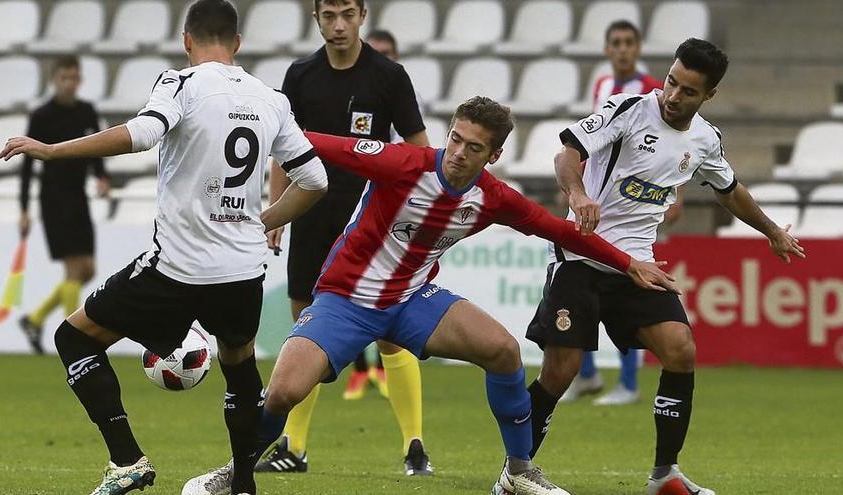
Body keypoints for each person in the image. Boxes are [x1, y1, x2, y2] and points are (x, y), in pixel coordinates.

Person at [184, 96, 679, 495]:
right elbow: (310, 144)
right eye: (456, 139)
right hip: (346, 298)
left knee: (504, 352)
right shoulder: (402, 163)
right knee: (285, 392)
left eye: (474, 147)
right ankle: (233, 470)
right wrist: (241, 118)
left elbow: (564, 232)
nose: (459, 153)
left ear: (494, 155)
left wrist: (629, 262)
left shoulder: (493, 197)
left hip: (413, 299)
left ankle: (518, 472)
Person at [0, 2, 329, 494]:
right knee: (238, 366)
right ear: (237, 43)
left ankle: (127, 460)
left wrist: (52, 150)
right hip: (242, 271)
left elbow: (142, 134)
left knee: (75, 339)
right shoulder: (271, 99)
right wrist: (261, 222)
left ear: (186, 40)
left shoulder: (180, 83)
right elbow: (315, 180)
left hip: (177, 268)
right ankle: (242, 483)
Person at [520, 39, 805, 495]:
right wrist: (577, 195)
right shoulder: (629, 109)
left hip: (638, 265)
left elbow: (729, 190)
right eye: (672, 81)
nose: (673, 96)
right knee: (560, 371)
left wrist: (771, 231)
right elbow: (566, 154)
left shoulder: (705, 140)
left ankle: (665, 476)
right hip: (582, 255)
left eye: (688, 91)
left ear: (708, 96)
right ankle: (515, 472)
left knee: (680, 349)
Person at [257, 0, 434, 476]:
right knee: (304, 331)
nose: (339, 25)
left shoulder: (388, 77)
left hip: (375, 227)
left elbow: (420, 154)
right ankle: (293, 448)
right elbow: (281, 149)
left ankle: (414, 446)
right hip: (311, 218)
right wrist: (276, 214)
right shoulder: (299, 76)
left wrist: (420, 218)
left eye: (348, 14)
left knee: (392, 334)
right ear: (316, 18)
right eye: (329, 15)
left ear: (363, 16)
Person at [562, 20, 677, 407]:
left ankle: (627, 382)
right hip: (598, 202)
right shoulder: (602, 87)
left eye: (629, 43)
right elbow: (593, 143)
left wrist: (674, 199)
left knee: (630, 290)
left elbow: (669, 150)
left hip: (636, 207)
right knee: (584, 289)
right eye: (616, 43)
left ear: (638, 47)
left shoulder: (649, 93)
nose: (623, 49)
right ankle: (589, 375)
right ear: (607, 49)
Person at [17, 55, 110, 355]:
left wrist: (101, 176)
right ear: (54, 80)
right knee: (74, 270)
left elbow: (96, 148)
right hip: (54, 200)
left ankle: (34, 319)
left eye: (74, 78)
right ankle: (76, 341)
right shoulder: (42, 116)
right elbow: (27, 167)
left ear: (79, 80)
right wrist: (24, 210)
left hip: (78, 197)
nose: (70, 84)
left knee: (88, 270)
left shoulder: (87, 111)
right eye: (64, 78)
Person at [338, 28, 411, 402]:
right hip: (351, 204)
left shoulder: (400, 96)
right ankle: (361, 370)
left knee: (384, 302)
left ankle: (379, 370)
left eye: (388, 52)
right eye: (377, 51)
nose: (382, 57)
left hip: (390, 214)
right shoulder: (360, 92)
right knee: (340, 296)